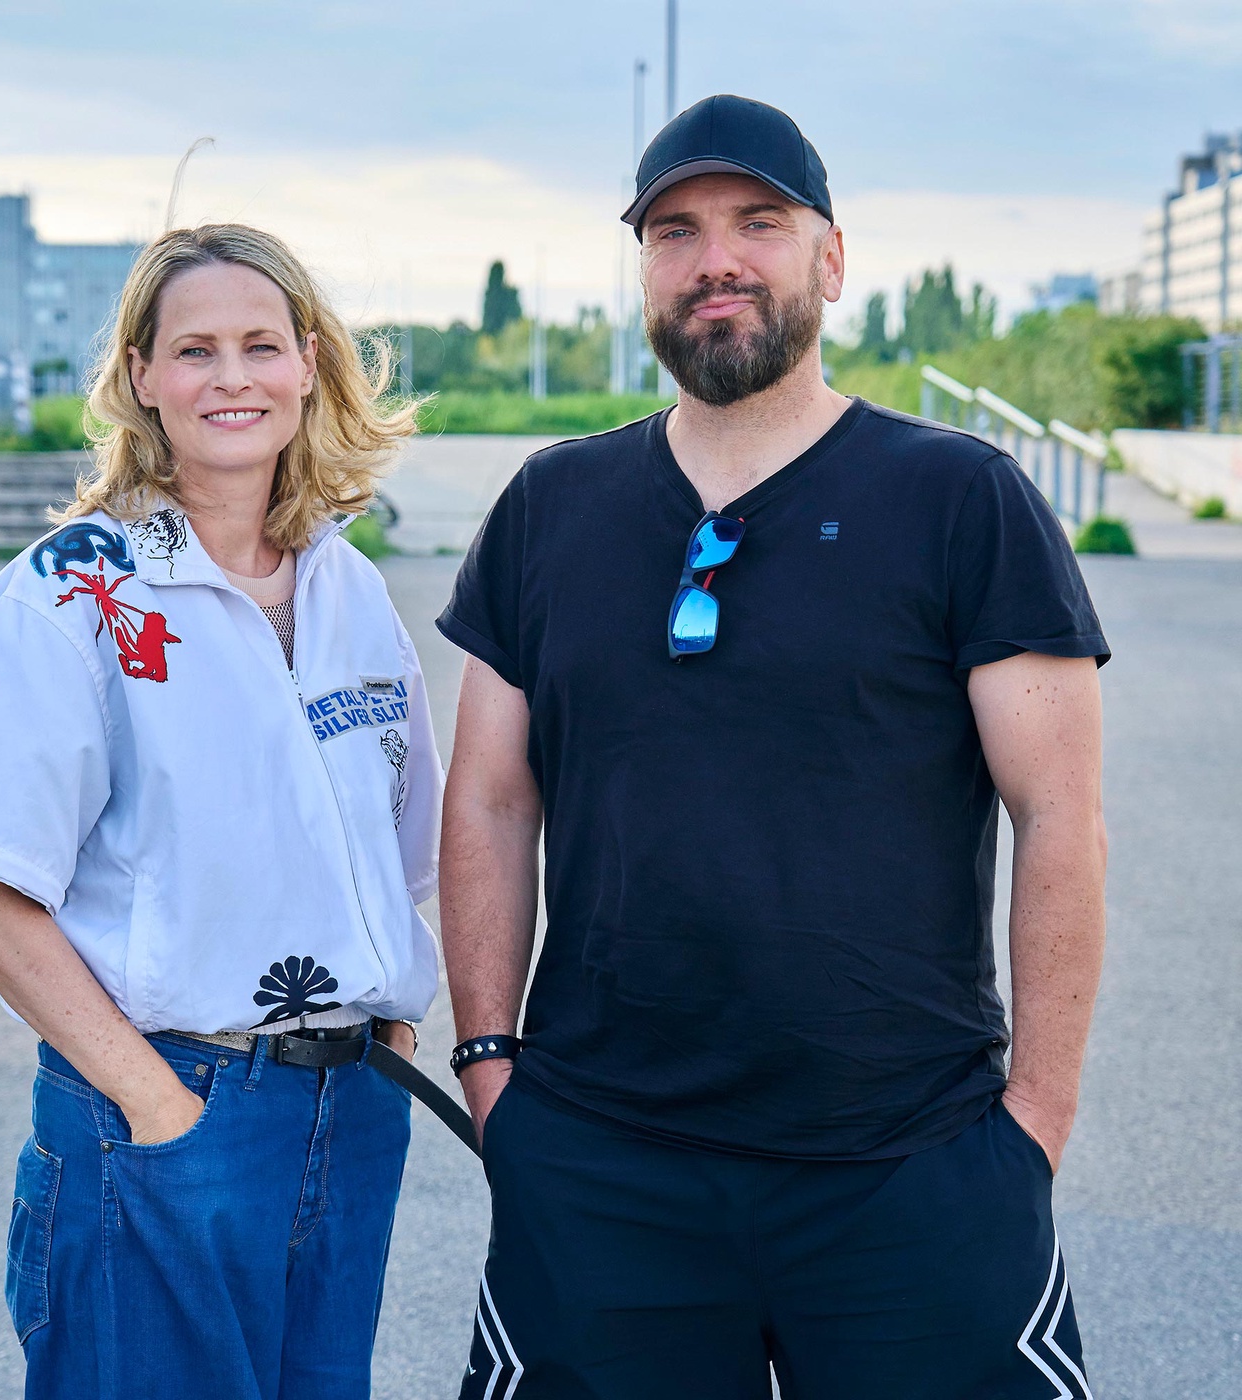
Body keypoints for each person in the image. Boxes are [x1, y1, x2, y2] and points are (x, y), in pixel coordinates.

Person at [438, 95, 1107, 1399]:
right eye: (676, 231)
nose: (716, 259)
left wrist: (1035, 1123)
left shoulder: (959, 498)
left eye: (759, 222)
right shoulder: (550, 506)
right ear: (644, 271)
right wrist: (488, 1068)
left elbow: (1061, 817)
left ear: (832, 260)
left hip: (908, 1168)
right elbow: (490, 800)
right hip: (600, 1164)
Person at [0, 223, 444, 1400]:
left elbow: (398, 850)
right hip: (171, 1108)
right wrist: (156, 1104)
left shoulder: (350, 585)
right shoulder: (65, 594)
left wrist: (388, 1028)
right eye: (193, 350)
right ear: (140, 376)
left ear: (308, 364)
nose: (230, 377)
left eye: (259, 344)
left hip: (350, 1112)